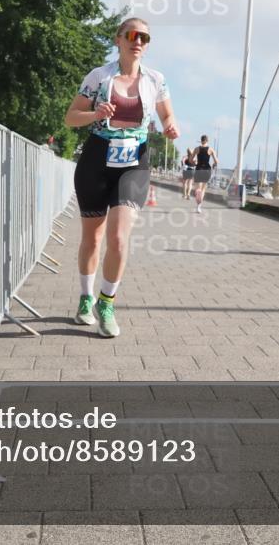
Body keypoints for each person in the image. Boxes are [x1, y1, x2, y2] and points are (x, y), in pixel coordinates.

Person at [64, 17, 179, 338]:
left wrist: (170, 126)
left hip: (133, 162)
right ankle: (85, 298)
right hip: (97, 160)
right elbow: (71, 117)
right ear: (118, 40)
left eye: (144, 37)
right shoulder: (99, 77)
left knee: (118, 238)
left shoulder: (155, 80)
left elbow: (167, 114)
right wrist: (95, 113)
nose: (138, 41)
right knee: (93, 238)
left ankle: (106, 303)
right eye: (132, 35)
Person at [190, 136, 217, 213]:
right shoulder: (211, 149)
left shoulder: (196, 149)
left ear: (201, 140)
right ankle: (199, 206)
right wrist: (214, 164)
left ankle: (198, 196)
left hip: (199, 169)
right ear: (207, 140)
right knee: (203, 189)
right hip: (207, 170)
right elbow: (216, 161)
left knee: (198, 188)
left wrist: (194, 163)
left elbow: (190, 160)